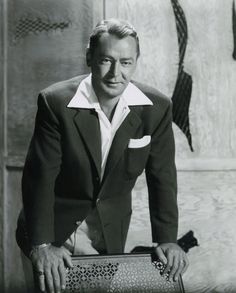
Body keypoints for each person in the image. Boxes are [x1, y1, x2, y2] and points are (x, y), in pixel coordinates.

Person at [16, 18, 188, 292]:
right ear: (89, 58)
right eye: (106, 60)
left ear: (136, 61)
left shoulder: (156, 107)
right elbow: (39, 179)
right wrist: (43, 245)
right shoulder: (55, 102)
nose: (115, 73)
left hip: (108, 232)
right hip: (52, 228)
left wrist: (166, 239)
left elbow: (162, 177)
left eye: (126, 62)